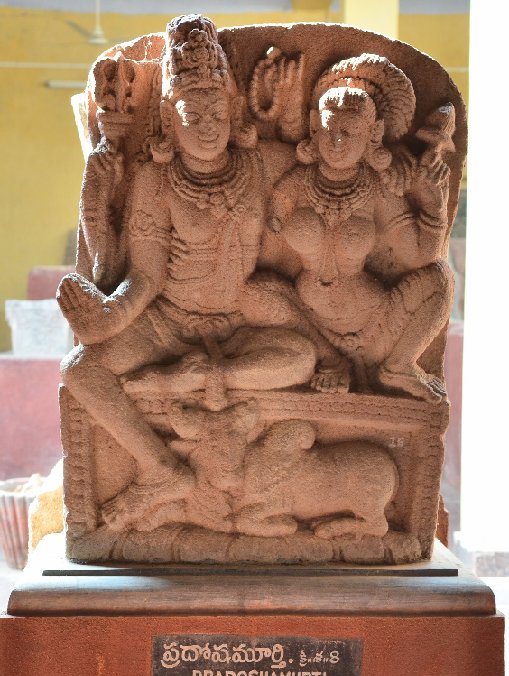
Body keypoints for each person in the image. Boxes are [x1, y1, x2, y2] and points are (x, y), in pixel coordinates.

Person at [57, 15, 319, 527]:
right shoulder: (155, 181)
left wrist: (283, 109)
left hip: (238, 321)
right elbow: (147, 278)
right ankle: (160, 469)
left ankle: (196, 378)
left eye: (217, 111)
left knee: (301, 358)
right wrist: (111, 318)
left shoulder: (258, 165)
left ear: (233, 111)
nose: (207, 125)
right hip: (167, 323)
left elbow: (311, 158)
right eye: (191, 113)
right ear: (168, 118)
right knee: (81, 369)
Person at [269, 55, 454, 402]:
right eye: (329, 130)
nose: (337, 141)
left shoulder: (378, 190)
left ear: (374, 134)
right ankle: (328, 359)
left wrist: (434, 206)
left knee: (439, 280)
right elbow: (267, 229)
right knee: (261, 292)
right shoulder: (295, 183)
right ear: (314, 127)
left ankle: (398, 365)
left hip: (374, 328)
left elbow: (419, 256)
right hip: (308, 324)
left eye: (350, 132)